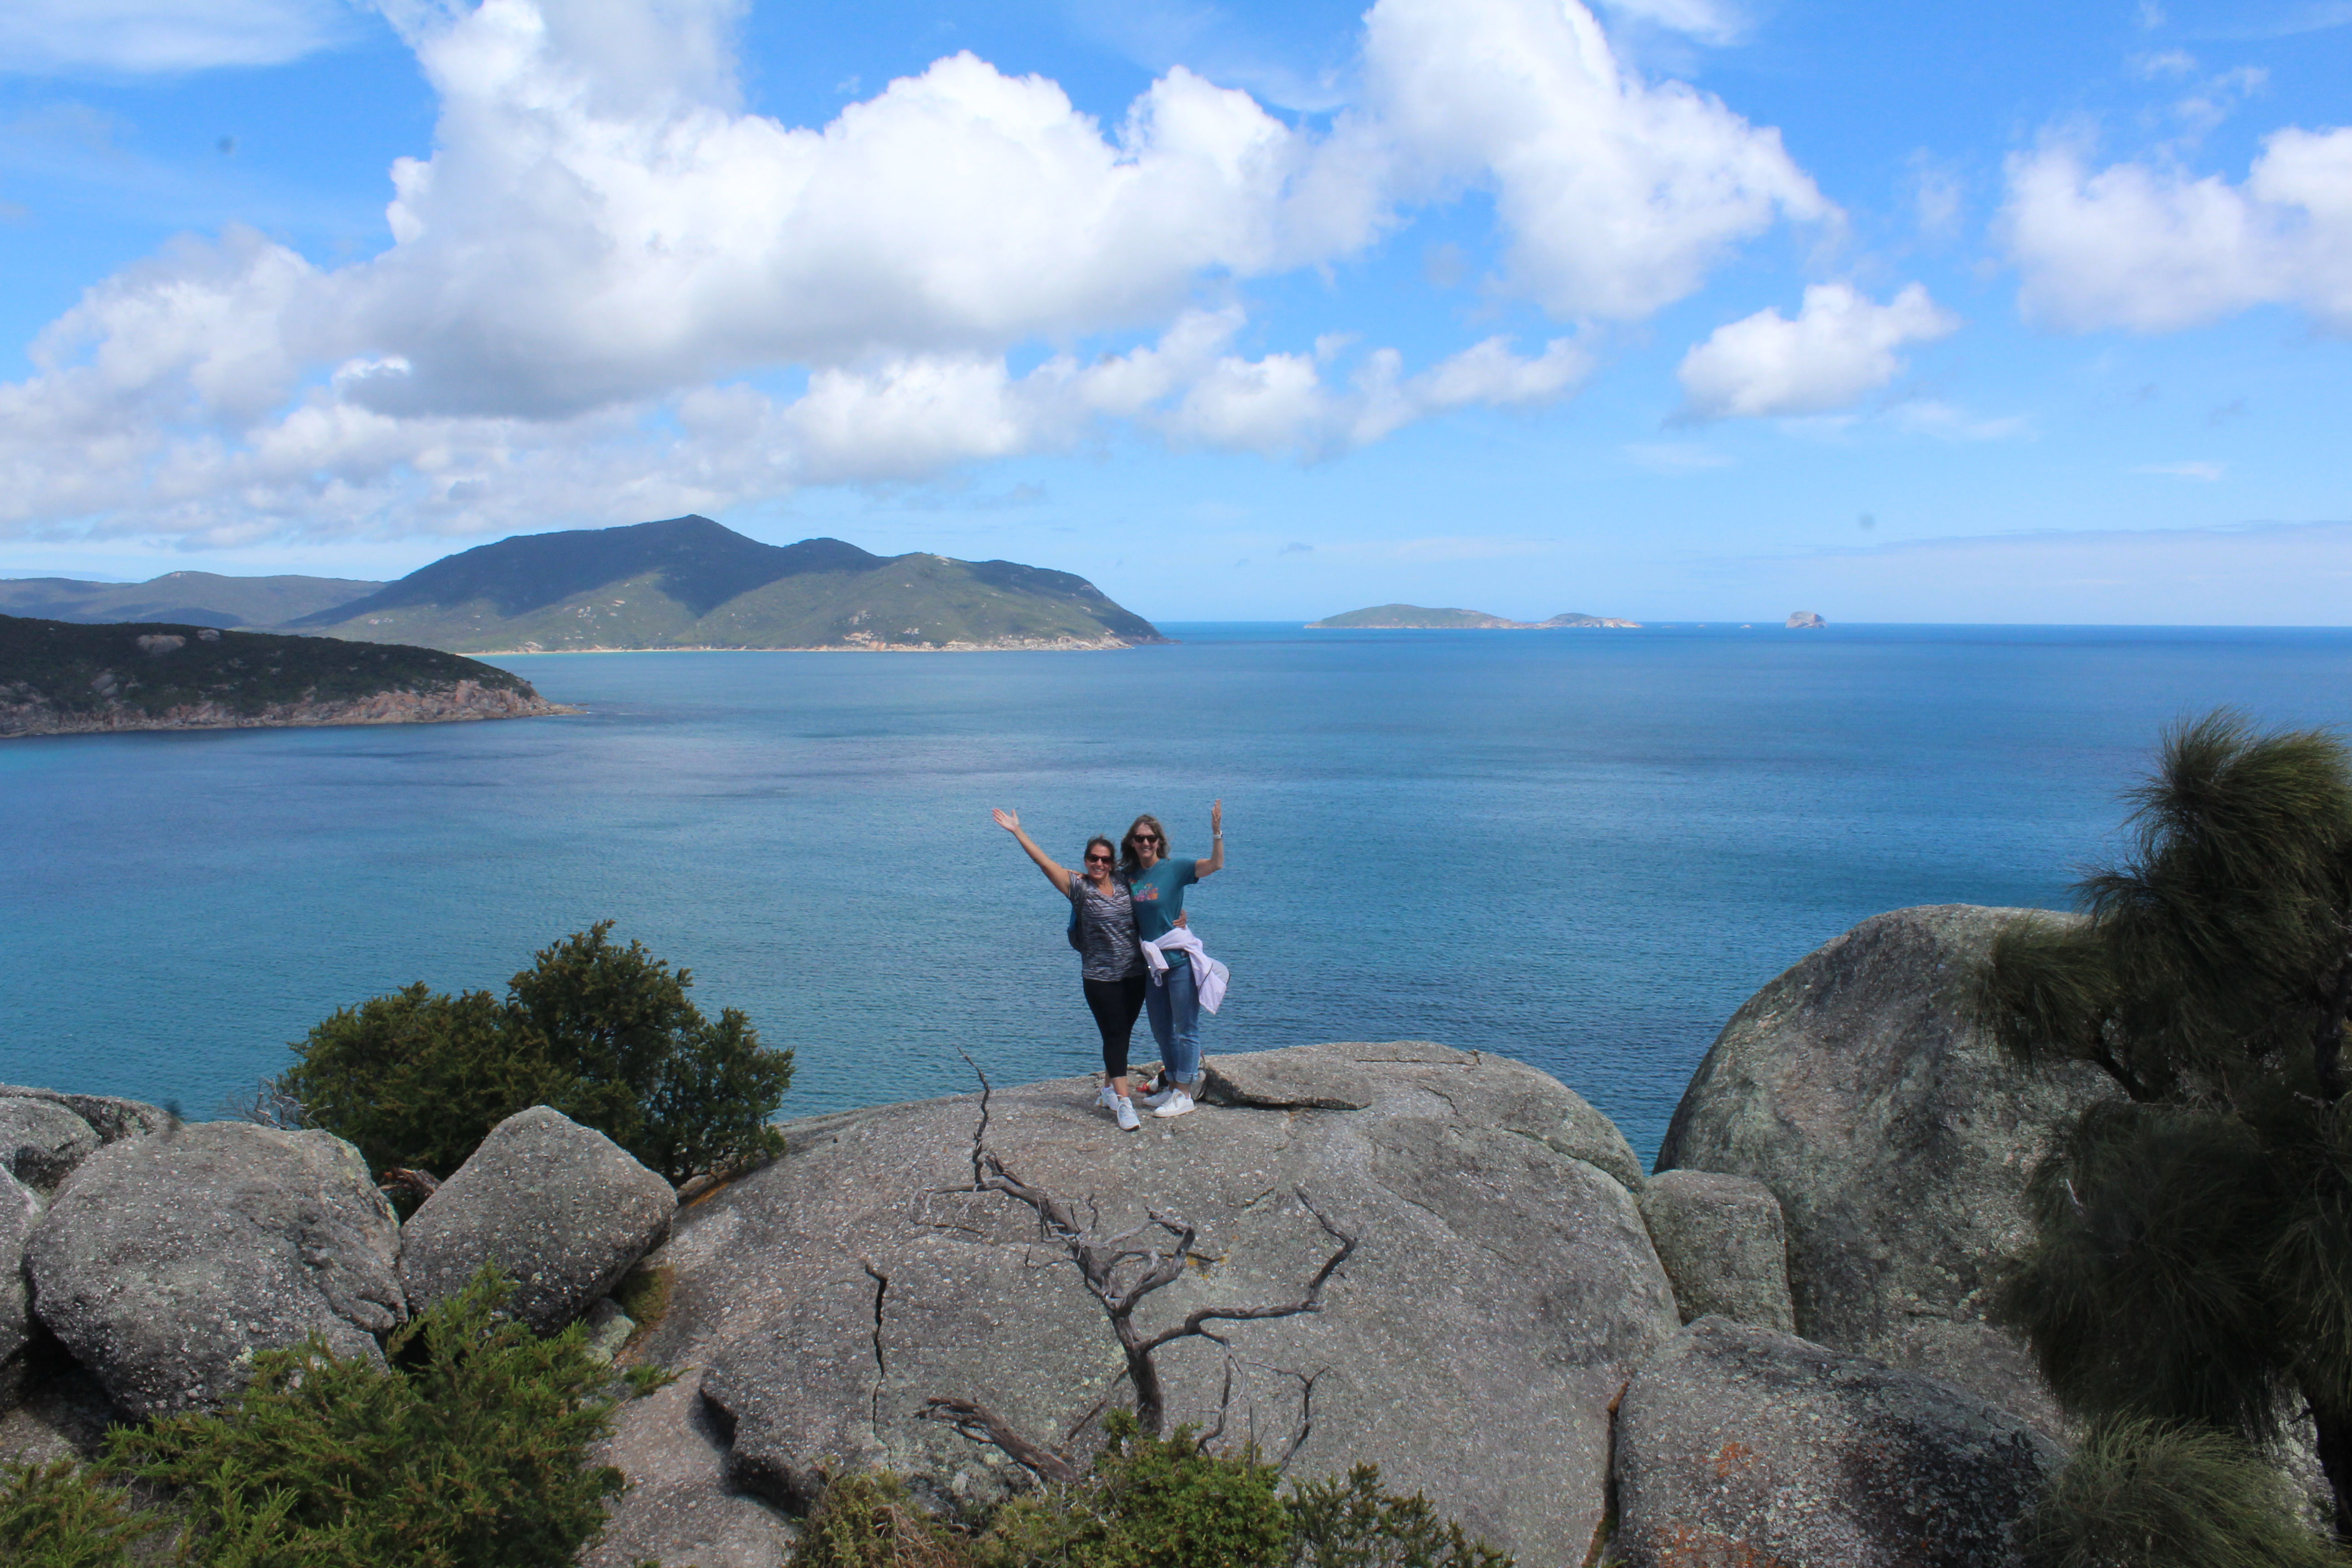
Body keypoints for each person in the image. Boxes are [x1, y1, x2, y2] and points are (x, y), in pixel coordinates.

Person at [991, 808, 1149, 1130]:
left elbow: (1155, 895)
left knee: (1122, 1035)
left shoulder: (1123, 883)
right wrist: (1017, 831)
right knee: (1115, 1035)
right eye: (1094, 858)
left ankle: (1108, 1090)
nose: (1099, 864)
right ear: (1086, 859)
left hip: (1135, 975)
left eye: (1105, 859)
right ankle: (1124, 1103)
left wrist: (1181, 915)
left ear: (1113, 862)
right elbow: (1044, 862)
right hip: (1100, 979)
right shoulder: (1078, 889)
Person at [1122, 801, 1223, 1119]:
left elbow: (1215, 865)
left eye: (1151, 838)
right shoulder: (1129, 876)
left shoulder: (1174, 868)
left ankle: (1184, 1093)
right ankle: (1171, 1087)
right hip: (1154, 967)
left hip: (1178, 962)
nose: (1146, 843)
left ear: (1159, 842)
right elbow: (1094, 879)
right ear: (1133, 843)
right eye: (1140, 839)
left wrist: (1217, 832)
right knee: (1161, 1029)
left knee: (1186, 1028)